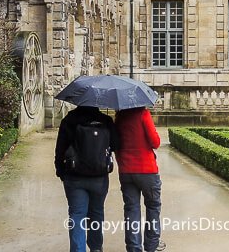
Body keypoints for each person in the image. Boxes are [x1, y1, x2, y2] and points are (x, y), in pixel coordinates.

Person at [55, 105, 118, 252]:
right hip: (99, 177)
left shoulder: (69, 120)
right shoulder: (105, 120)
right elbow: (116, 145)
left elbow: (60, 149)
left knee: (77, 215)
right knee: (96, 213)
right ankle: (96, 248)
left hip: (74, 176)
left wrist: (60, 171)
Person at [115, 106, 165, 252]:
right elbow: (155, 142)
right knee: (153, 207)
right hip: (147, 170)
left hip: (126, 170)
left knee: (131, 209)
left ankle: (134, 247)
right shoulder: (143, 113)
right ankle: (152, 245)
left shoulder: (119, 117)